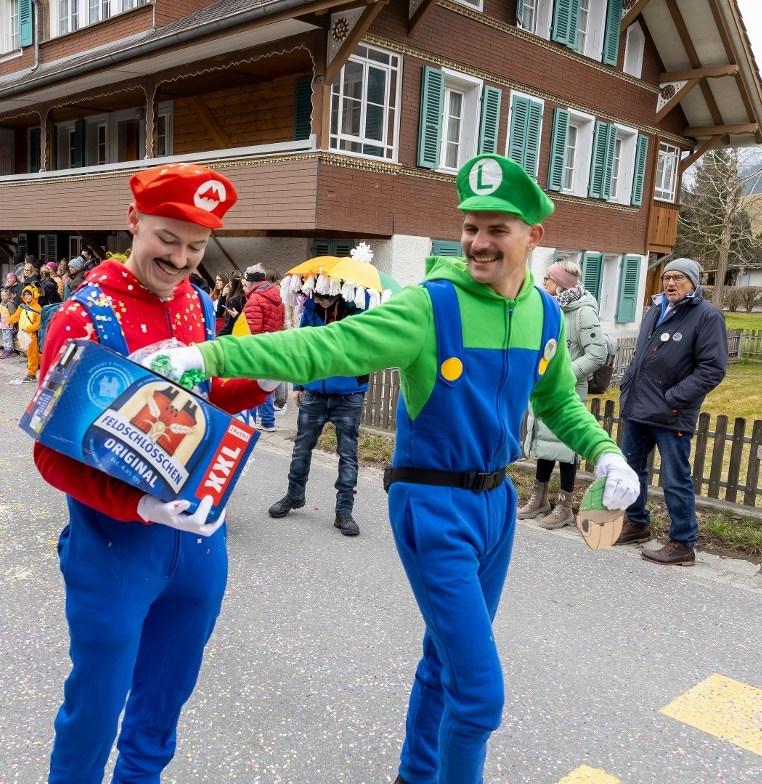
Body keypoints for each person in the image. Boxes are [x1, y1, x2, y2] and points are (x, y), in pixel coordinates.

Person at [148, 153, 640, 784]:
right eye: (470, 226)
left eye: (496, 228)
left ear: (533, 236)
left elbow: (556, 400)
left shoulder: (545, 314)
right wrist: (208, 354)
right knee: (480, 696)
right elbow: (324, 345)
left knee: (445, 663)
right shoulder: (427, 308)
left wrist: (604, 451)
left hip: (496, 508)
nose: (478, 242)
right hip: (433, 506)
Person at [33, 163, 272, 784]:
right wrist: (138, 508)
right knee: (97, 706)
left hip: (197, 540)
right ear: (134, 222)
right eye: (169, 238)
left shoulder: (196, 304)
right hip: (113, 545)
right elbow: (51, 451)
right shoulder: (83, 316)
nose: (182, 258)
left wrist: (260, 383)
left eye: (196, 247)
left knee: (165, 700)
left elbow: (206, 399)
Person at [614, 257, 728, 566]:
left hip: (671, 411)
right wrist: (628, 384)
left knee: (675, 478)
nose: (671, 283)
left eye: (678, 278)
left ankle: (682, 542)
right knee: (631, 470)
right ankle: (637, 523)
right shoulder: (655, 310)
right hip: (639, 406)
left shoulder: (706, 316)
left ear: (693, 282)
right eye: (667, 278)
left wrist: (674, 397)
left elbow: (712, 369)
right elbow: (642, 355)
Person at [267, 290, 368, 536]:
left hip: (349, 393)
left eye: (323, 295)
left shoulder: (359, 311)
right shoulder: (311, 310)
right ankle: (295, 495)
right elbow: (303, 348)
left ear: (337, 292)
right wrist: (299, 385)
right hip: (314, 393)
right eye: (315, 294)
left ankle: (344, 512)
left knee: (348, 454)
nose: (318, 299)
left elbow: (367, 349)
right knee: (301, 448)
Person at [518, 257, 609, 529]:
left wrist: (564, 373)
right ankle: (539, 498)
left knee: (568, 448)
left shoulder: (583, 311)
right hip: (546, 387)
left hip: (567, 390)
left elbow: (597, 353)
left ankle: (565, 505)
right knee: (545, 445)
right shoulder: (551, 308)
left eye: (547, 279)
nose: (543, 282)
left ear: (559, 284)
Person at [241, 265, 285, 431]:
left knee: (254, 385)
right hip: (272, 343)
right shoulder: (276, 296)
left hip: (257, 347)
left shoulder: (255, 299)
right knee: (265, 384)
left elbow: (252, 329)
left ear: (251, 281)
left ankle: (251, 422)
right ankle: (267, 420)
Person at [6, 285, 41, 382]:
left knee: (32, 354)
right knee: (32, 354)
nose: (26, 296)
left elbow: (38, 324)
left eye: (29, 294)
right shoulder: (22, 306)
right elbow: (16, 316)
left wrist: (29, 329)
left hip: (31, 335)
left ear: (34, 295)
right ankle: (47, 363)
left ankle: (31, 374)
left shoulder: (37, 308)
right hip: (22, 334)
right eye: (25, 294)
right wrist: (9, 321)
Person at [0, 287, 17, 359]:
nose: (3, 297)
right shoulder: (2, 303)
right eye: (2, 296)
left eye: (5, 296)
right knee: (4, 337)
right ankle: (5, 348)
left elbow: (13, 314)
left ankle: (9, 349)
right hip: (3, 322)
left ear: (9, 296)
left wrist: (11, 322)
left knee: (8, 337)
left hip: (8, 323)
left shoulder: (9, 304)